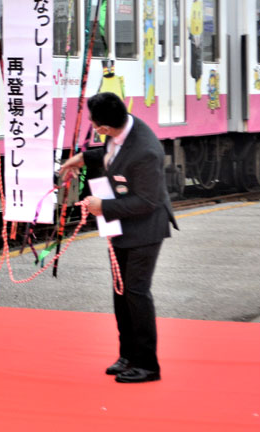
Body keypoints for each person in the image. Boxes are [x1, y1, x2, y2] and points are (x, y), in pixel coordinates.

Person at [60, 92, 178, 383]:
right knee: (120, 292)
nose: (94, 128)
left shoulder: (146, 150)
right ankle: (128, 355)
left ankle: (148, 365)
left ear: (109, 125)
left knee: (137, 293)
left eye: (96, 125)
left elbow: (147, 202)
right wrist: (80, 159)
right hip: (120, 226)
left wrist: (104, 207)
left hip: (145, 228)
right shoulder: (120, 130)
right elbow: (108, 154)